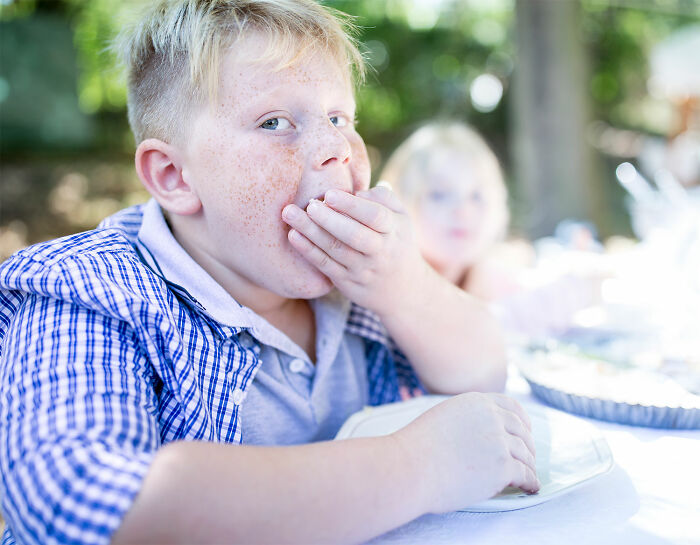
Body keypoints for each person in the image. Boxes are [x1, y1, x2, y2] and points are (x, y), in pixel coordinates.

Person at [0, 2, 539, 544]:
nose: (335, 149)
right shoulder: (86, 291)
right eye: (275, 122)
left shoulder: (357, 287)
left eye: (339, 118)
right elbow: (79, 501)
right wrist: (416, 466)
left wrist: (408, 289)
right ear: (173, 176)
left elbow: (482, 372)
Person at [381, 121, 600, 339]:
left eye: (476, 196)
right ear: (400, 200)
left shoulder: (485, 275)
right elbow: (475, 331)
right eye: (439, 195)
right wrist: (567, 294)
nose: (463, 211)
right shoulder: (393, 285)